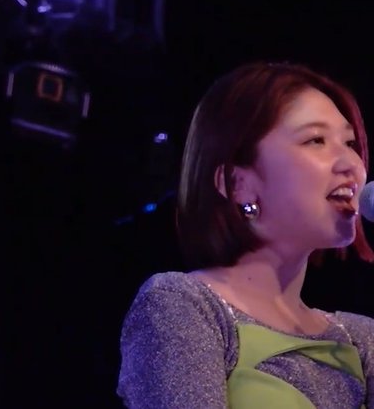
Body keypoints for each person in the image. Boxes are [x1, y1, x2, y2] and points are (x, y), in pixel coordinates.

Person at [117, 61, 374, 407]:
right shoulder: (183, 306)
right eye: (316, 140)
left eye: (351, 142)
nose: (351, 164)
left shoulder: (360, 340)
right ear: (239, 184)